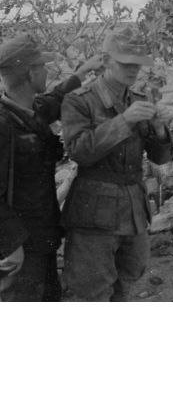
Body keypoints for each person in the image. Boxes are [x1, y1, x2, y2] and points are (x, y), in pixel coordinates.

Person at [61, 26, 173, 301]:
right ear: (106, 60)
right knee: (93, 293)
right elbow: (79, 151)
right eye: (126, 63)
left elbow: (161, 158)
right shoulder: (79, 101)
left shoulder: (137, 100)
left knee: (127, 283)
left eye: (138, 63)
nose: (134, 69)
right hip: (93, 217)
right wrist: (124, 121)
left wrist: (159, 130)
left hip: (133, 214)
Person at [0, 34, 103, 301]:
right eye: (42, 66)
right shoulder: (3, 126)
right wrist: (10, 245)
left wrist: (81, 73)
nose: (47, 71)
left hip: (42, 237)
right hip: (20, 248)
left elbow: (56, 99)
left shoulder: (27, 110)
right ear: (32, 73)